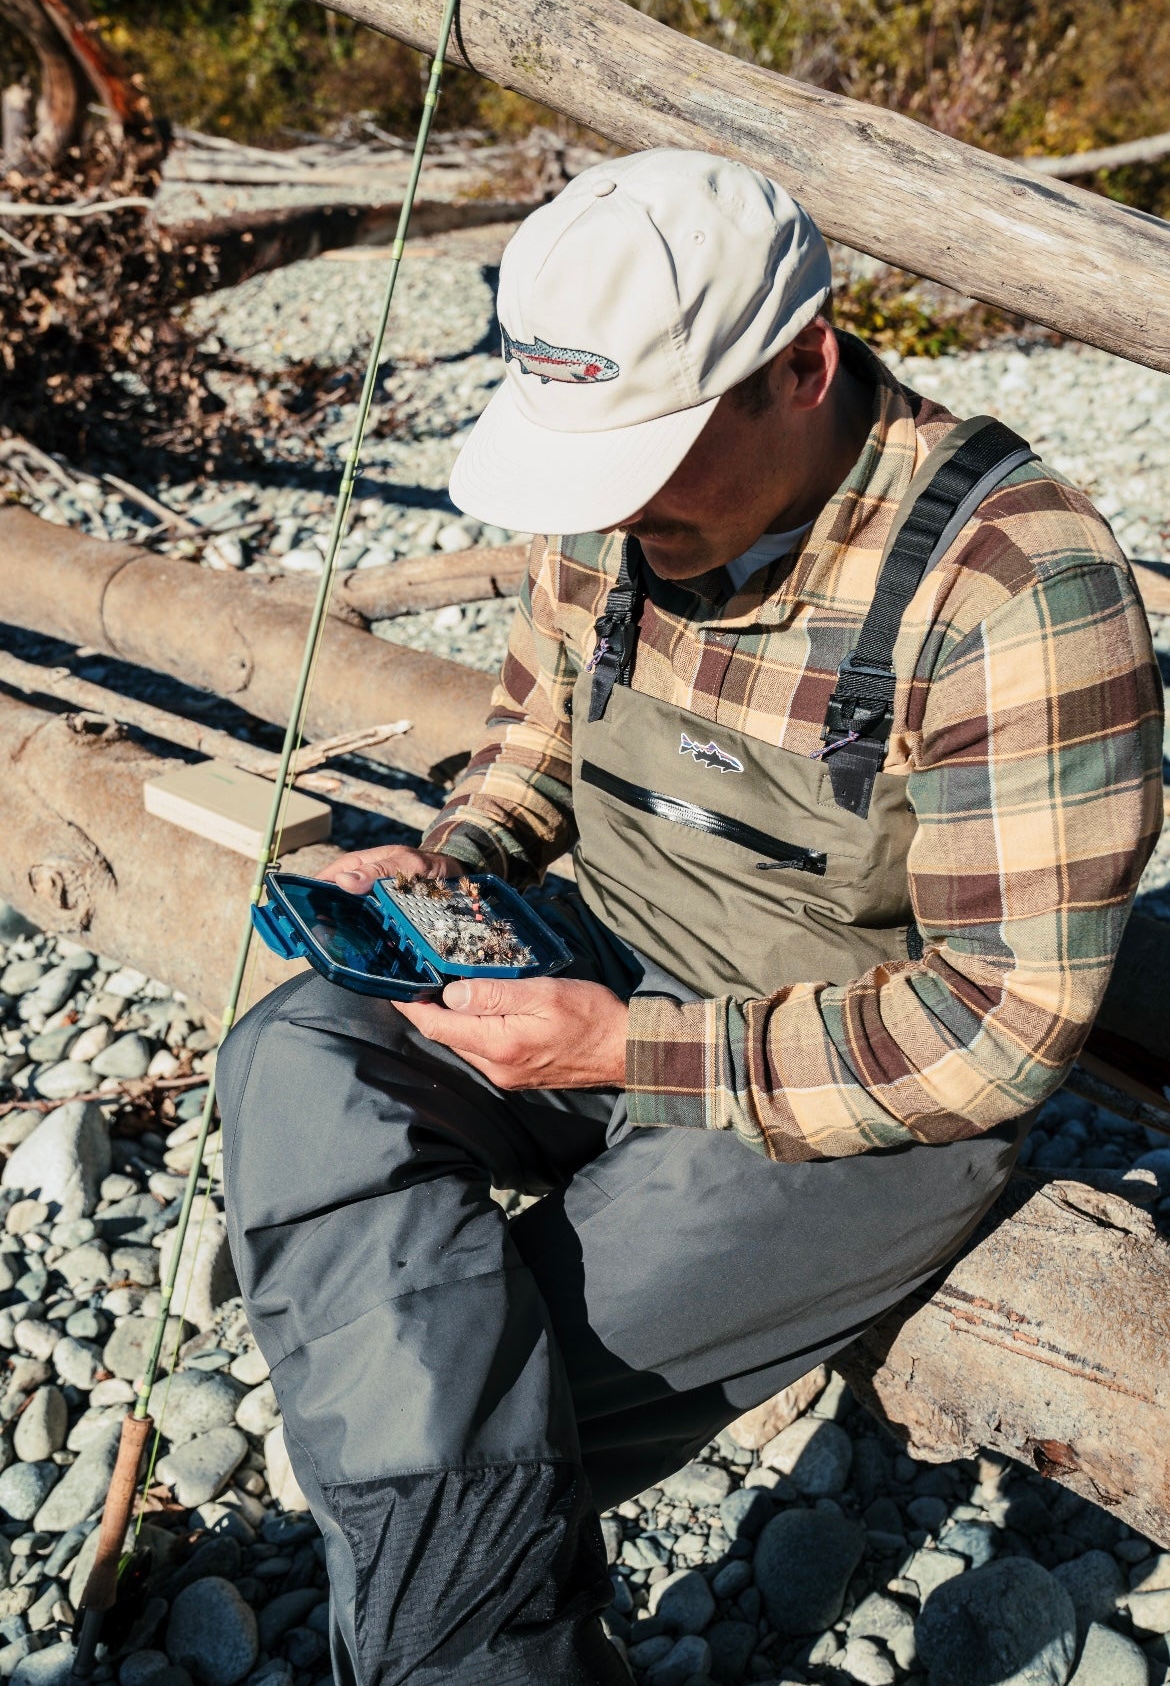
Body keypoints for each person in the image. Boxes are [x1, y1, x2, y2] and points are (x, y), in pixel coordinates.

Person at [217, 150, 1163, 1684]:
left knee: (478, 1383)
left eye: (647, 458)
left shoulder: (1012, 589)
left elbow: (992, 1034)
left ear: (804, 363)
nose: (613, 510)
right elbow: (536, 738)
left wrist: (624, 1056)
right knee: (298, 1056)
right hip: (605, 954)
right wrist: (447, 864)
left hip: (852, 1089)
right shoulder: (610, 498)